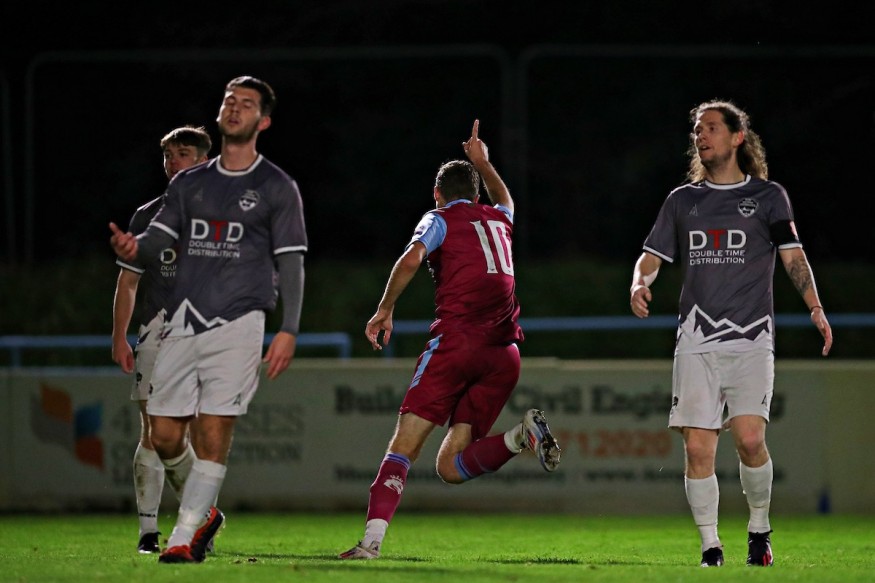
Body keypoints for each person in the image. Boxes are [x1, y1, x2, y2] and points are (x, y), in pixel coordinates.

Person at [339, 120, 561, 561]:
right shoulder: (499, 218)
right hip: (504, 356)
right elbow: (507, 199)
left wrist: (384, 308)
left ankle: (371, 544)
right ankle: (520, 437)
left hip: (458, 346)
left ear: (436, 193)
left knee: (403, 447)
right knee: (450, 467)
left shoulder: (438, 218)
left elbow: (411, 258)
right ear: (476, 196)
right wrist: (484, 163)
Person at [109, 75, 308, 564]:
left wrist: (288, 327)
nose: (234, 108)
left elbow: (290, 261)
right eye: (228, 100)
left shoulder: (273, 187)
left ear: (263, 121)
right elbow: (153, 247)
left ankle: (184, 534)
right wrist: (135, 250)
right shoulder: (180, 193)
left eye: (246, 103)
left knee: (212, 430)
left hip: (235, 322)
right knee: (162, 435)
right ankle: (193, 519)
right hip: (173, 324)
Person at [629, 99, 833, 568]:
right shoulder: (683, 200)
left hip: (751, 336)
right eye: (697, 130)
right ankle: (711, 547)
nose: (701, 136)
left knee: (749, 441)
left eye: (711, 128)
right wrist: (639, 282)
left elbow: (793, 257)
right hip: (696, 338)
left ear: (737, 137)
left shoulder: (768, 196)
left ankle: (759, 530)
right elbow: (652, 257)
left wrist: (816, 307)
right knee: (697, 447)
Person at [111, 125, 212, 554]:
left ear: (204, 161)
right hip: (158, 331)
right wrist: (119, 336)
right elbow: (129, 282)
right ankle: (149, 532)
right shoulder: (147, 216)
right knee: (153, 432)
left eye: (182, 154)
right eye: (168, 155)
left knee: (193, 436)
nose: (172, 162)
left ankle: (197, 523)